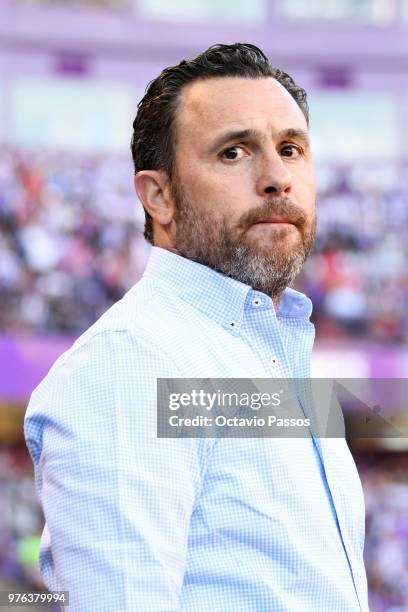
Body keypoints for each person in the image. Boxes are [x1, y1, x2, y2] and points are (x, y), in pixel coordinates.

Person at [24, 43, 369, 611]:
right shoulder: (129, 364)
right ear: (158, 195)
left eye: (291, 149)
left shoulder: (283, 354)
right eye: (234, 152)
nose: (277, 178)